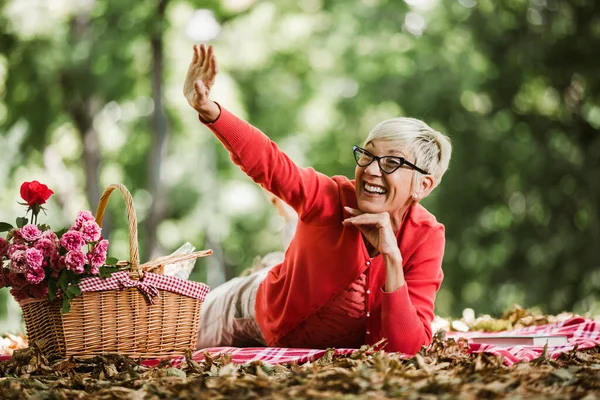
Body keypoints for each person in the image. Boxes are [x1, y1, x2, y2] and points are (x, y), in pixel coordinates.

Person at [184, 44, 452, 354]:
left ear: (424, 185)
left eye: (392, 163)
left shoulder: (426, 236)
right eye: (367, 155)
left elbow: (407, 348)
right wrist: (210, 111)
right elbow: (272, 164)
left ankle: (286, 235)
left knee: (294, 255)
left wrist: (391, 256)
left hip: (308, 314)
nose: (372, 171)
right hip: (250, 309)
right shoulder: (331, 196)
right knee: (177, 338)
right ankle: (282, 243)